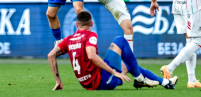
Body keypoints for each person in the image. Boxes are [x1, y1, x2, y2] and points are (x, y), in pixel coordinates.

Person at [48, 11, 178, 90]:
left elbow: (51, 55)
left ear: (77, 24)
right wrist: (114, 72)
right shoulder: (90, 35)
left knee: (130, 64)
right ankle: (139, 79)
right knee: (120, 40)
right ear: (91, 24)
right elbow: (92, 56)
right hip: (100, 82)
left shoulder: (69, 39)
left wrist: (58, 80)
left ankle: (165, 82)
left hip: (86, 84)